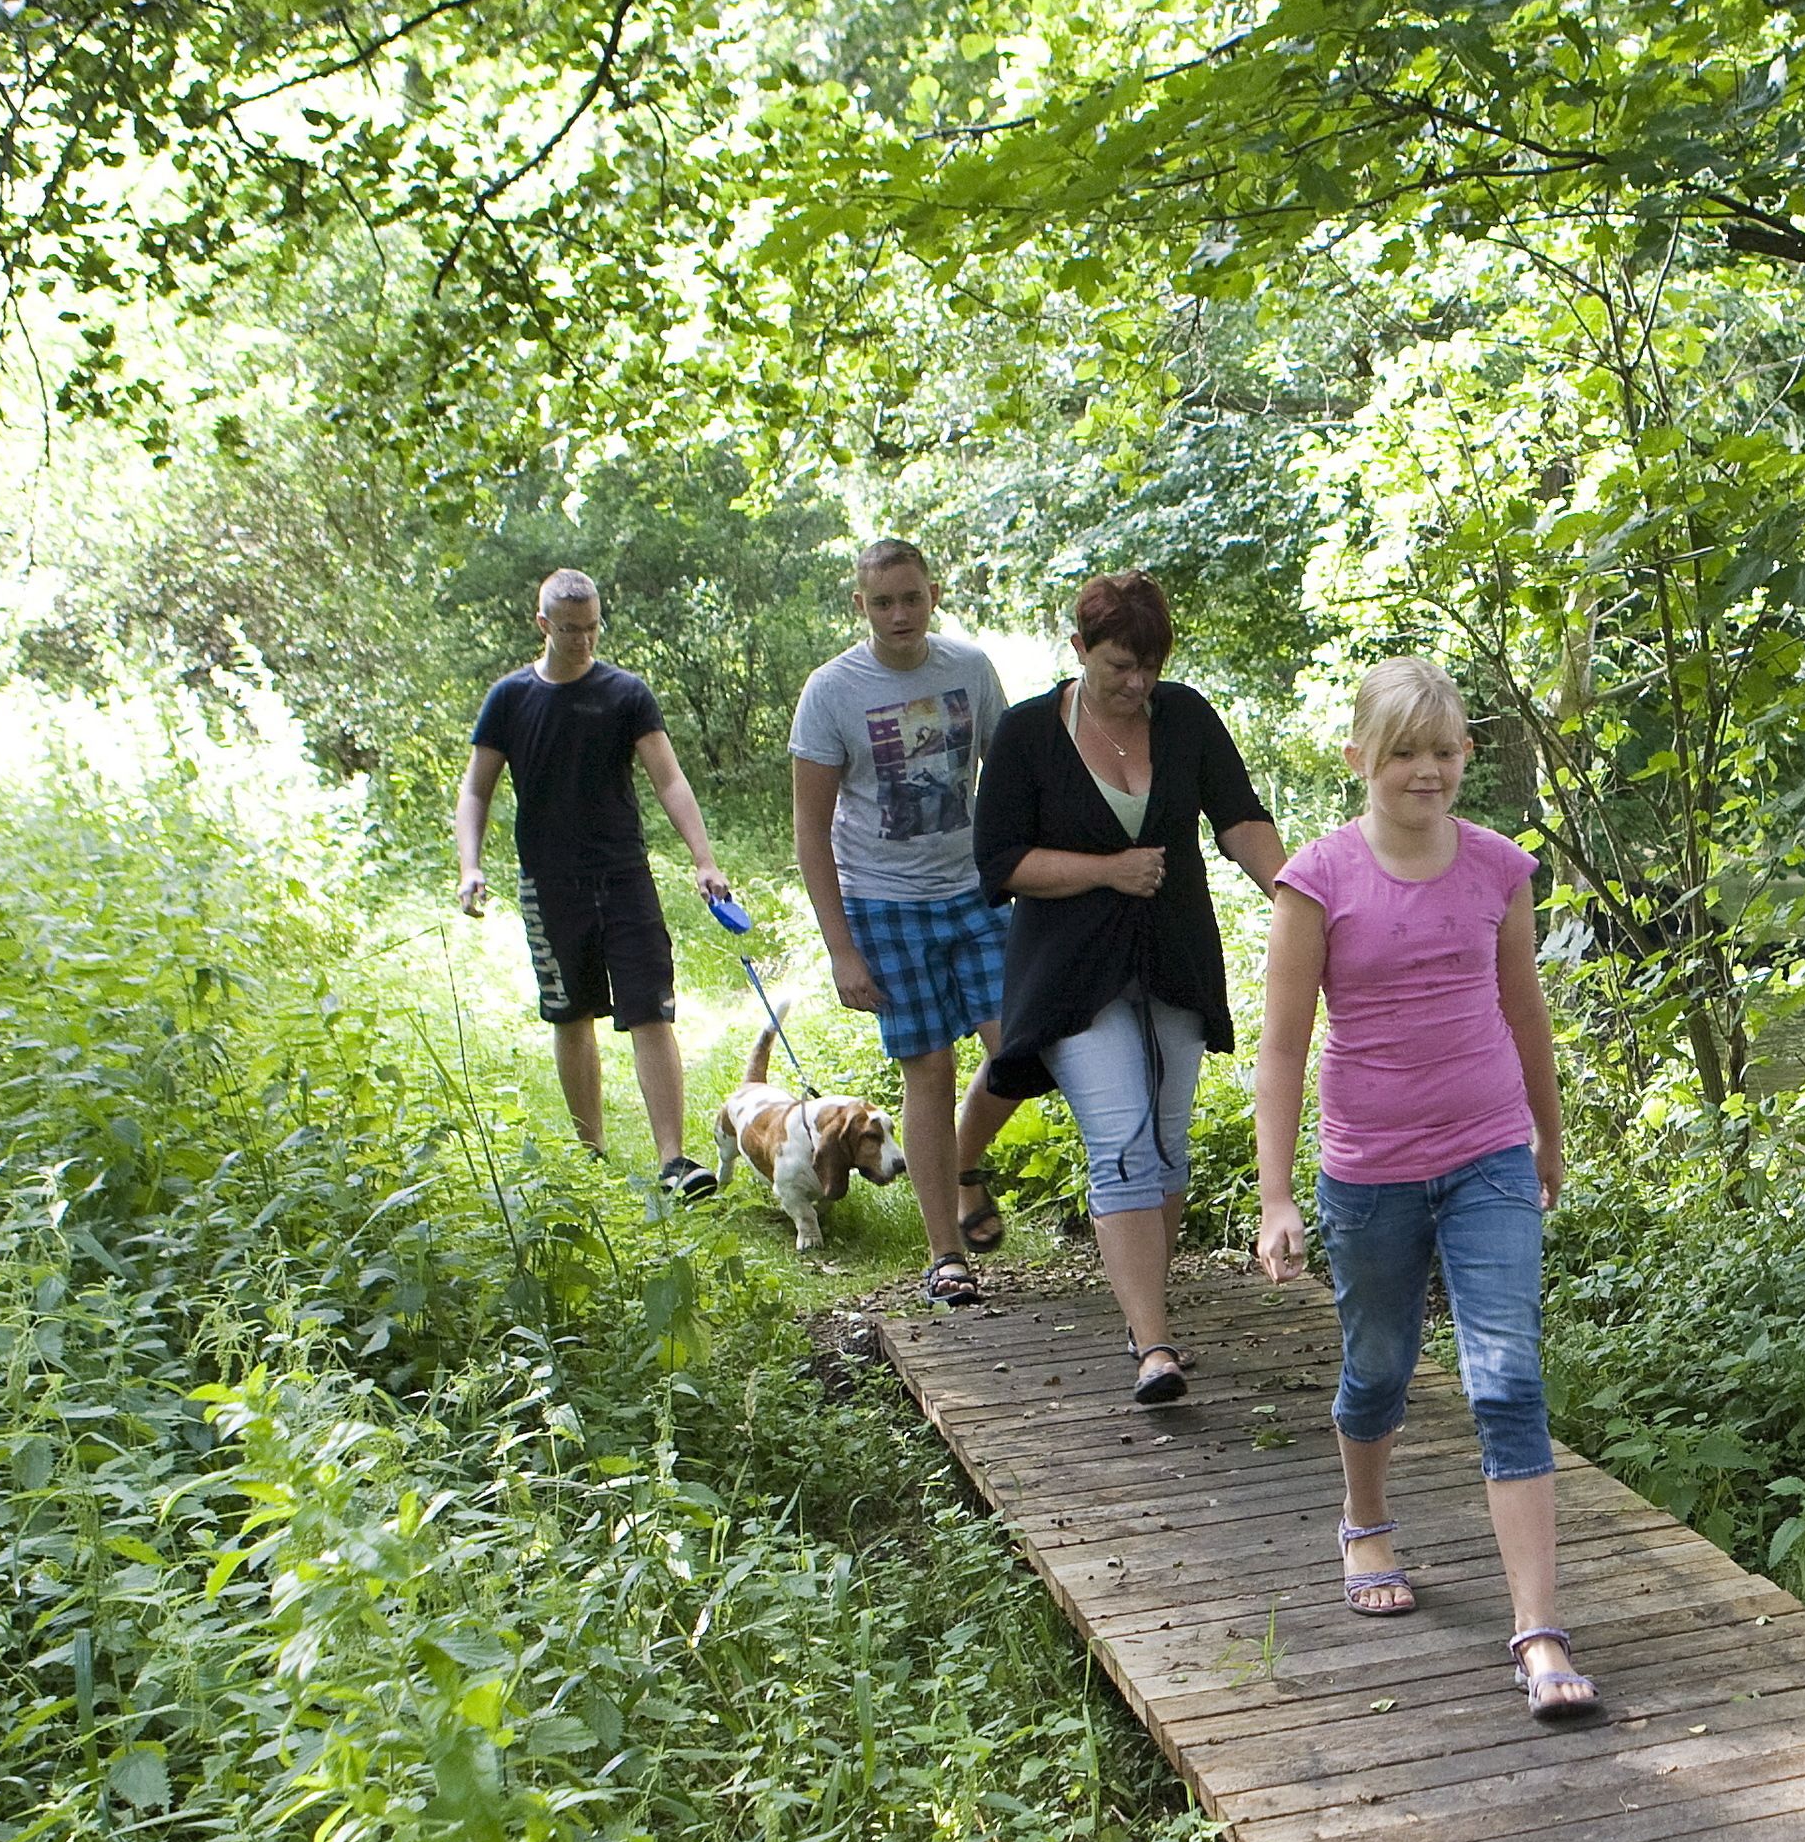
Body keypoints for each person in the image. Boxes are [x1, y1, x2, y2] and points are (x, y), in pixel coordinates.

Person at [1252, 656, 1590, 1718]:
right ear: (1360, 758)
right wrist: (1275, 1196)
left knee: (1508, 1378)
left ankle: (1538, 1630)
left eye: (1443, 751)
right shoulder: (1317, 879)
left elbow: (1525, 1009)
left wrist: (1547, 1132)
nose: (1426, 771)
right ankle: (1364, 1517)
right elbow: (1281, 1046)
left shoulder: (1499, 867)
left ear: (1466, 757)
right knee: (1382, 1364)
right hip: (1371, 1169)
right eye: (1403, 753)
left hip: (1488, 1150)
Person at [974, 572, 1286, 1395]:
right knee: (1120, 1139)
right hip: (1071, 972)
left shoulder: (1184, 717)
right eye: (1118, 666)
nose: (1137, 683)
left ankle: (1145, 1306)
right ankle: (1154, 1346)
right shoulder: (1026, 734)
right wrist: (1108, 870)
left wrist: (1298, 898)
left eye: (1149, 666)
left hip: (1175, 961)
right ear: (1078, 651)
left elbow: (1240, 819)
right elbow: (1001, 864)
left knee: (1167, 1146)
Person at [454, 569, 737, 1197]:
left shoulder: (625, 693)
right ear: (543, 625)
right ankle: (591, 1156)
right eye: (569, 630)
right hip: (549, 882)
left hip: (624, 875)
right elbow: (476, 788)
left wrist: (704, 858)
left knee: (650, 1012)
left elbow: (670, 779)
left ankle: (673, 1160)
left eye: (591, 629)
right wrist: (469, 865)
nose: (582, 641)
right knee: (571, 1014)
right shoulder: (509, 699)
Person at [790, 537, 1014, 1310]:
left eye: (911, 598)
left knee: (1020, 1050)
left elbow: (1012, 775)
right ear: (861, 605)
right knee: (929, 1070)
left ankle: (960, 1164)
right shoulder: (831, 691)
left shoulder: (969, 670)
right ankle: (945, 1256)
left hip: (975, 887)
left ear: (933, 594)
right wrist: (841, 950)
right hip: (882, 901)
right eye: (882, 601)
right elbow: (809, 830)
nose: (898, 614)